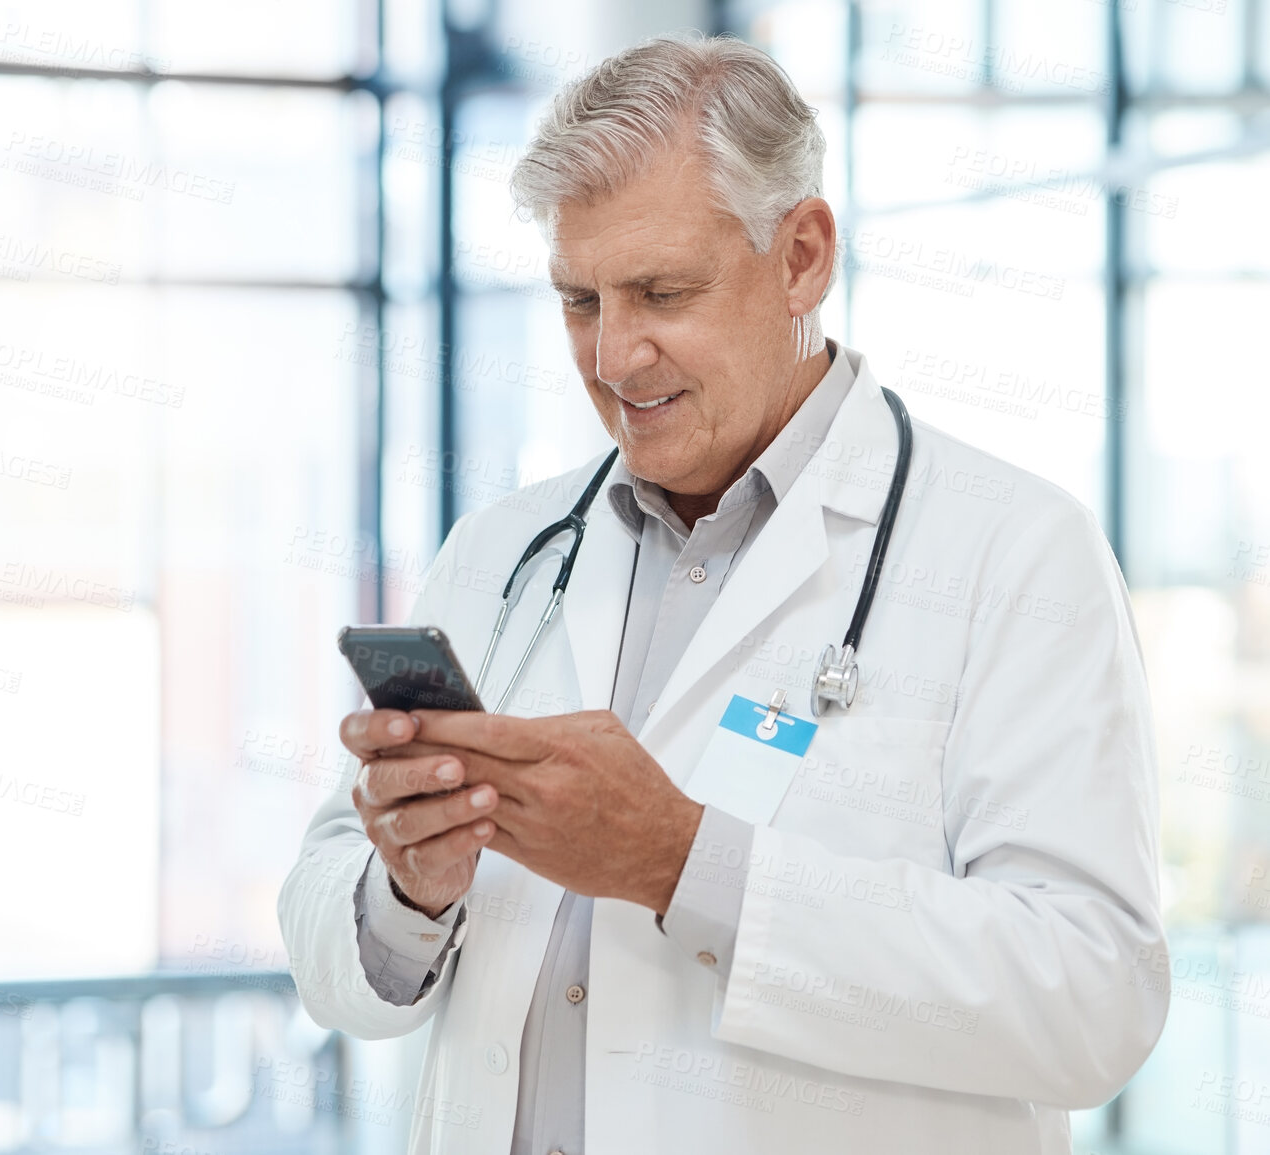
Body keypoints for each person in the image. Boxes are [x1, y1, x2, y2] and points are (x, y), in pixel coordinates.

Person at [278, 32, 1167, 1155]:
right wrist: (409, 892)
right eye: (579, 300)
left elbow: (1093, 1001)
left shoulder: (1015, 554)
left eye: (660, 292)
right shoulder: (505, 551)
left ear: (801, 256)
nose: (612, 356)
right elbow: (322, 928)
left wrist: (682, 862)